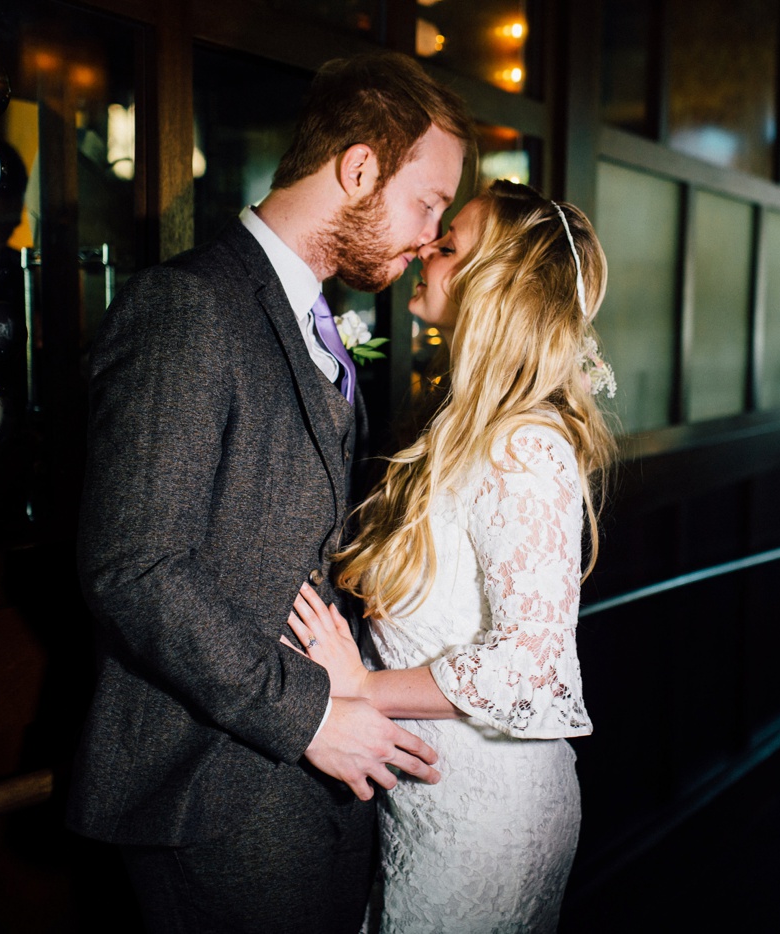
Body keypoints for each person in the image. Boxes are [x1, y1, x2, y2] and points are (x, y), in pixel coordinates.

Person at [70, 52, 475, 934]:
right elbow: (134, 566)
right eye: (429, 203)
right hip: (208, 781)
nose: (431, 237)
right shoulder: (187, 306)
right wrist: (310, 718)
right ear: (359, 168)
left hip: (310, 777)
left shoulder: (316, 318)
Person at [285, 180, 616, 933]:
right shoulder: (465, 423)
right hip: (431, 803)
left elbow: (530, 668)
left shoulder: (524, 446)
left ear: (494, 281)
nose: (425, 253)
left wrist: (365, 687)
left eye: (449, 245)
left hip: (483, 816)